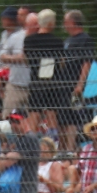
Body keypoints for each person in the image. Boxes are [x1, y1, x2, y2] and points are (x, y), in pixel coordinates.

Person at [57, 10, 94, 153]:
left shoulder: (85, 39)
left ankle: (70, 149)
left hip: (74, 83)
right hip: (62, 83)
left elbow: (87, 62)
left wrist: (80, 84)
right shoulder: (67, 40)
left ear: (73, 22)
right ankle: (61, 148)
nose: (64, 25)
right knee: (62, 116)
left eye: (66, 22)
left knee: (71, 118)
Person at [24, 8, 62, 140]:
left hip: (35, 80)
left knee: (34, 112)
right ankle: (52, 141)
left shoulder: (29, 41)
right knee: (51, 112)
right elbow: (61, 62)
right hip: (52, 80)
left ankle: (31, 141)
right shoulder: (57, 42)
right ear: (51, 23)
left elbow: (27, 60)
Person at [0, 7, 29, 117]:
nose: (18, 17)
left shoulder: (37, 35)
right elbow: (2, 55)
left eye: (22, 15)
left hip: (33, 84)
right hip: (15, 83)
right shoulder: (14, 36)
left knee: (31, 119)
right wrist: (18, 58)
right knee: (7, 116)